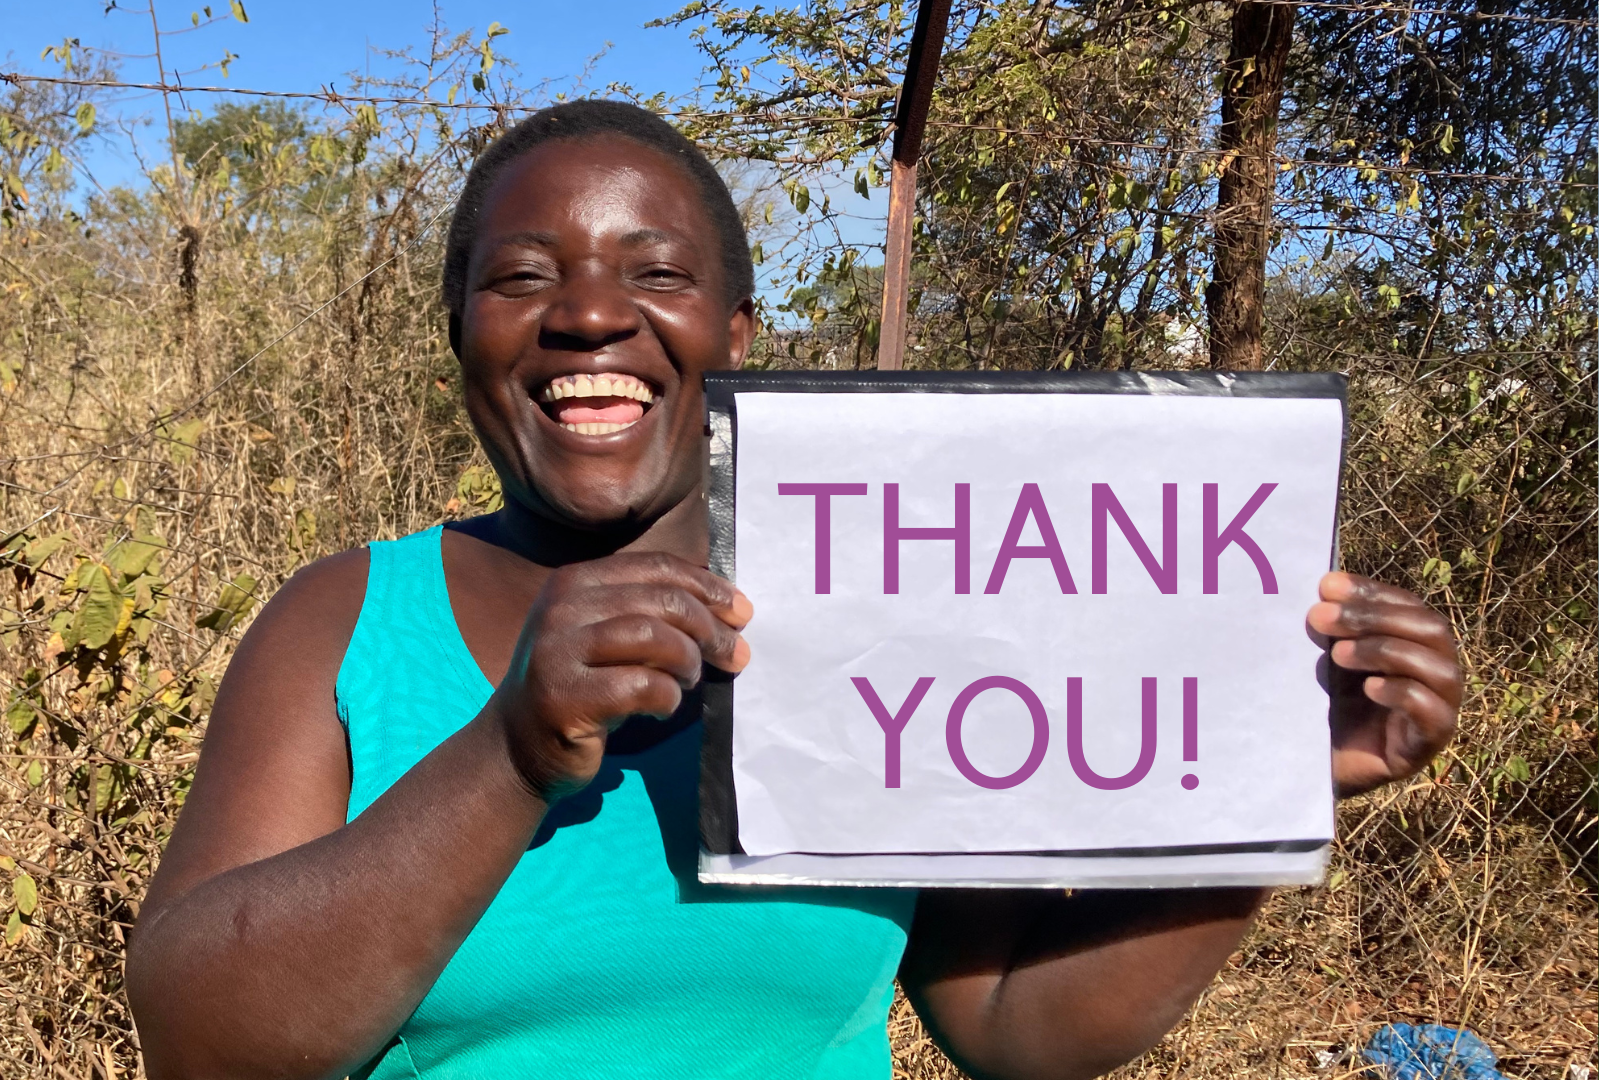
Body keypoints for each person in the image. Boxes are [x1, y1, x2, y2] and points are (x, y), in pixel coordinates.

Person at [125, 100, 1462, 1080]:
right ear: (462, 335)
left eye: (656, 272)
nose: (588, 315)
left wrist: (1269, 781)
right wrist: (511, 752)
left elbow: (1014, 1026)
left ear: (735, 338)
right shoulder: (348, 619)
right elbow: (201, 1043)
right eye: (522, 277)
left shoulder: (874, 610)